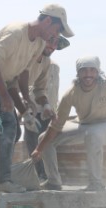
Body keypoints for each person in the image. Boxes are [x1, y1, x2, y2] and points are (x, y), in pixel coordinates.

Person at [0, 4, 74, 193]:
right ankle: (2, 180)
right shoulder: (16, 32)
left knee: (8, 131)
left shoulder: (40, 44)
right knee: (8, 124)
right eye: (56, 30)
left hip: (6, 80)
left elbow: (23, 73)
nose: (54, 36)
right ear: (48, 20)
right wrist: (4, 96)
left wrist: (27, 104)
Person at [31, 57, 106, 192]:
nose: (88, 74)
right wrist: (39, 149)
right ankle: (53, 182)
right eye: (84, 71)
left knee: (93, 135)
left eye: (92, 70)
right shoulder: (71, 94)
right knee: (44, 139)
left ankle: (96, 184)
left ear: (97, 72)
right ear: (78, 73)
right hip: (83, 124)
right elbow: (56, 124)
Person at [12, 35, 69, 180]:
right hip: (42, 108)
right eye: (50, 41)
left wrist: (25, 111)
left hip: (39, 109)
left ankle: (42, 174)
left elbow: (38, 89)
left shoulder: (46, 64)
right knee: (38, 141)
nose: (52, 46)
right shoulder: (43, 62)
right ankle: (43, 174)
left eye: (55, 43)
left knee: (35, 142)